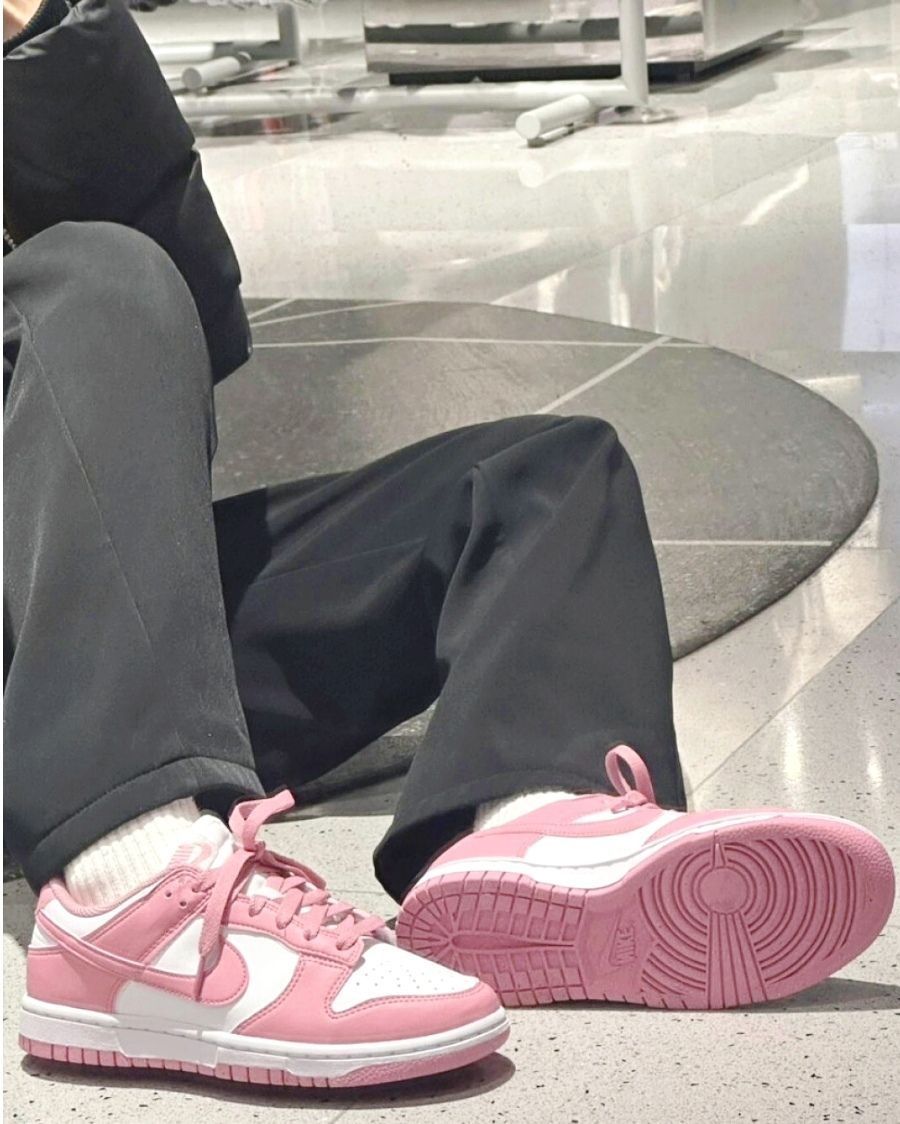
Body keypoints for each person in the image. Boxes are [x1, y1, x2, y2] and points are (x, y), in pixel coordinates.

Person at [4, 0, 894, 1092]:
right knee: (94, 272)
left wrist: (44, 41)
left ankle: (539, 825)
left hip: (81, 615)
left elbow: (193, 310)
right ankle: (133, 900)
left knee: (540, 478)